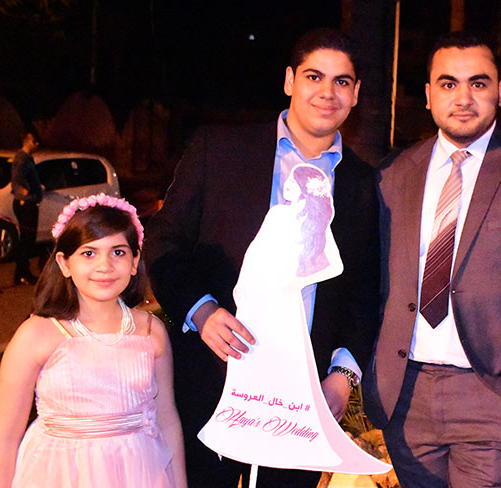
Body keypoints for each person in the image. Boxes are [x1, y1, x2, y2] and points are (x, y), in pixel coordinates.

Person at [144, 28, 379, 487]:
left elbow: (366, 290)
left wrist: (342, 376)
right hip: (210, 383)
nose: (327, 92)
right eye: (314, 76)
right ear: (290, 80)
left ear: (355, 94)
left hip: (301, 402)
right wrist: (201, 311)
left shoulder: (366, 185)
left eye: (342, 81)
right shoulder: (219, 150)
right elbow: (165, 241)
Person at [362, 31, 501, 487]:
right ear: (428, 94)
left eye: (478, 83)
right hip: (407, 397)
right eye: (448, 84)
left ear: (499, 91)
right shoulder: (393, 172)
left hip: (498, 397)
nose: (463, 98)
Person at [0, 194, 187, 488]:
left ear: (135, 261)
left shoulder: (149, 332)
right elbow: (4, 437)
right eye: (89, 253)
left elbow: (167, 420)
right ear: (64, 263)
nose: (105, 265)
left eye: (118, 252)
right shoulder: (37, 334)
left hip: (138, 472)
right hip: (60, 475)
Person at [11, 131, 43, 285]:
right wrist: (25, 190)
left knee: (26, 239)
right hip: (26, 203)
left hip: (28, 201)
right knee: (27, 239)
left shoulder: (27, 158)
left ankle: (20, 274)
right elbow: (17, 176)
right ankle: (24, 273)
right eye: (34, 141)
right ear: (27, 141)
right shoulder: (22, 158)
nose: (37, 145)